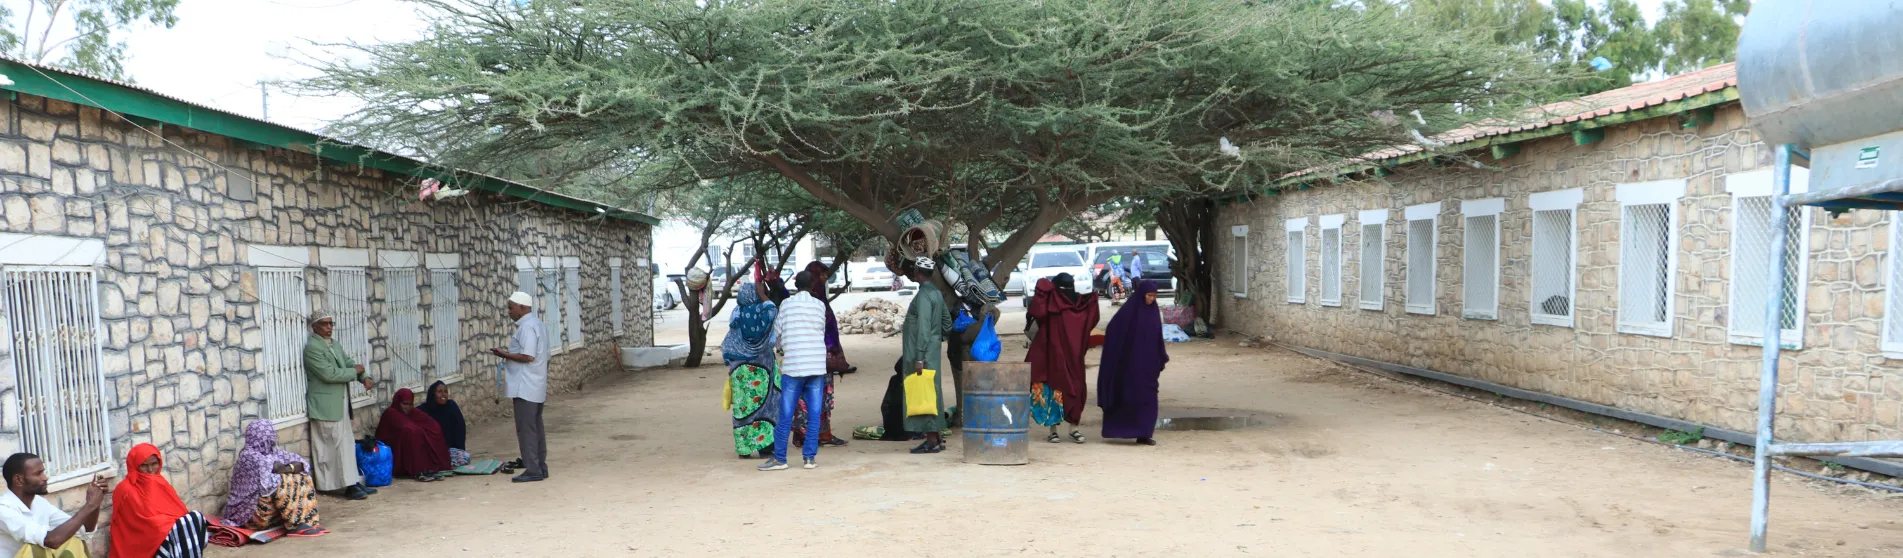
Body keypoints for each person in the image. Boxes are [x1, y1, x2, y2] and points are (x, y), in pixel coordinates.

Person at [761, 271, 830, 471]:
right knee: (815, 413)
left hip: (794, 366)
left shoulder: (786, 305)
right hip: (816, 365)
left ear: (795, 285)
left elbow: (777, 335)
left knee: (786, 413)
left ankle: (780, 458)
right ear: (812, 285)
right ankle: (809, 458)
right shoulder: (819, 305)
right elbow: (821, 331)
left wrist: (782, 346)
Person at [303, 314, 375, 500]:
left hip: (340, 401)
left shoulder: (333, 344)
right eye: (324, 324)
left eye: (330, 323)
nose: (329, 327)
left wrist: (364, 377)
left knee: (346, 444)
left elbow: (348, 362)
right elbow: (329, 374)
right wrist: (354, 372)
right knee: (331, 447)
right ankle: (347, 486)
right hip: (325, 404)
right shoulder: (312, 348)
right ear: (315, 326)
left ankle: (352, 482)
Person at [1027, 273, 1100, 444]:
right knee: (1056, 391)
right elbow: (1037, 311)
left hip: (1071, 356)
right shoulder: (1064, 304)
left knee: (1070, 390)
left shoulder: (1074, 305)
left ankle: (1070, 428)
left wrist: (1046, 288)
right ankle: (1056, 430)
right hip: (1056, 355)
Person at [1098, 280, 1169, 446]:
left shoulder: (1153, 312)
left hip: (1148, 366)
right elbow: (1114, 329)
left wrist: (1159, 356)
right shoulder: (1129, 311)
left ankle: (1144, 433)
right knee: (1128, 396)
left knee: (1148, 398)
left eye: (1154, 296)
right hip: (1129, 365)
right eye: (1149, 295)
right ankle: (1121, 430)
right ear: (1141, 294)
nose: (1151, 299)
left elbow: (1157, 336)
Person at [490, 291, 551, 483]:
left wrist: (504, 354)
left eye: (511, 307)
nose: (508, 311)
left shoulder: (527, 328)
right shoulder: (538, 325)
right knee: (535, 428)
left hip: (526, 386)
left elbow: (528, 356)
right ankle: (540, 466)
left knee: (526, 429)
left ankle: (533, 469)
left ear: (523, 307)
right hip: (535, 384)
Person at [224, 420, 323, 537]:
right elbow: (269, 482)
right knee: (286, 482)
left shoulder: (273, 453)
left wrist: (286, 468)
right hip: (248, 515)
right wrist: (286, 469)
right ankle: (295, 525)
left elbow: (301, 464)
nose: (273, 438)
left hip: (266, 510)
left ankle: (307, 521)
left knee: (303, 477)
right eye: (270, 435)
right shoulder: (248, 456)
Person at [110, 444, 208, 558]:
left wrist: (172, 524)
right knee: (183, 526)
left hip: (166, 536)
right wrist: (169, 525)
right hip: (145, 548)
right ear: (134, 466)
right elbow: (140, 526)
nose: (150, 470)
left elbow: (178, 510)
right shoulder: (125, 489)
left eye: (154, 464)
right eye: (144, 465)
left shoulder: (160, 482)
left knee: (196, 518)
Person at [790, 262, 849, 450]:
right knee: (818, 397)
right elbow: (824, 330)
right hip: (818, 357)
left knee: (805, 397)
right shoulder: (817, 303)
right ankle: (820, 435)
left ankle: (807, 435)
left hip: (804, 357)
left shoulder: (816, 300)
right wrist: (832, 349)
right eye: (822, 274)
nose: (825, 277)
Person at [0, 453, 105, 557]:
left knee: (73, 539)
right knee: (36, 546)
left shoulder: (39, 502)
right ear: (18, 480)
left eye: (43, 472)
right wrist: (90, 505)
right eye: (38, 474)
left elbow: (83, 529)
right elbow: (51, 541)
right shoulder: (4, 509)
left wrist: (95, 502)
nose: (45, 478)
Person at [900, 257, 955, 454]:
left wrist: (920, 356)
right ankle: (938, 438)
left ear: (917, 273)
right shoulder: (936, 293)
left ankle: (931, 440)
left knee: (923, 394)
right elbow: (946, 323)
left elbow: (923, 326)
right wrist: (936, 339)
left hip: (921, 352)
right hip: (931, 350)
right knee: (933, 391)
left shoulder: (924, 295)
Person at [723, 282, 781, 459]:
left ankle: (744, 447)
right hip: (764, 364)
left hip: (740, 368)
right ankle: (765, 447)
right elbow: (772, 309)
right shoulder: (765, 312)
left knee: (743, 407)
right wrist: (763, 296)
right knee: (766, 406)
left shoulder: (737, 313)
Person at [376, 389, 454, 480]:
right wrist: (420, 432)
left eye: (410, 404)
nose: (408, 407)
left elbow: (430, 423)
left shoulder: (412, 412)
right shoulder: (391, 413)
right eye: (404, 404)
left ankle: (428, 465)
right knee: (412, 433)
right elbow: (406, 428)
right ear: (398, 402)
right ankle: (417, 469)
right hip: (395, 450)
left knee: (433, 428)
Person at [417, 381, 472, 467]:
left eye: (445, 391)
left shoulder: (451, 406)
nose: (444, 395)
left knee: (464, 458)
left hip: (451, 450)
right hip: (433, 450)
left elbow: (460, 429)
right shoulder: (424, 410)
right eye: (440, 392)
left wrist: (459, 449)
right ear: (433, 394)